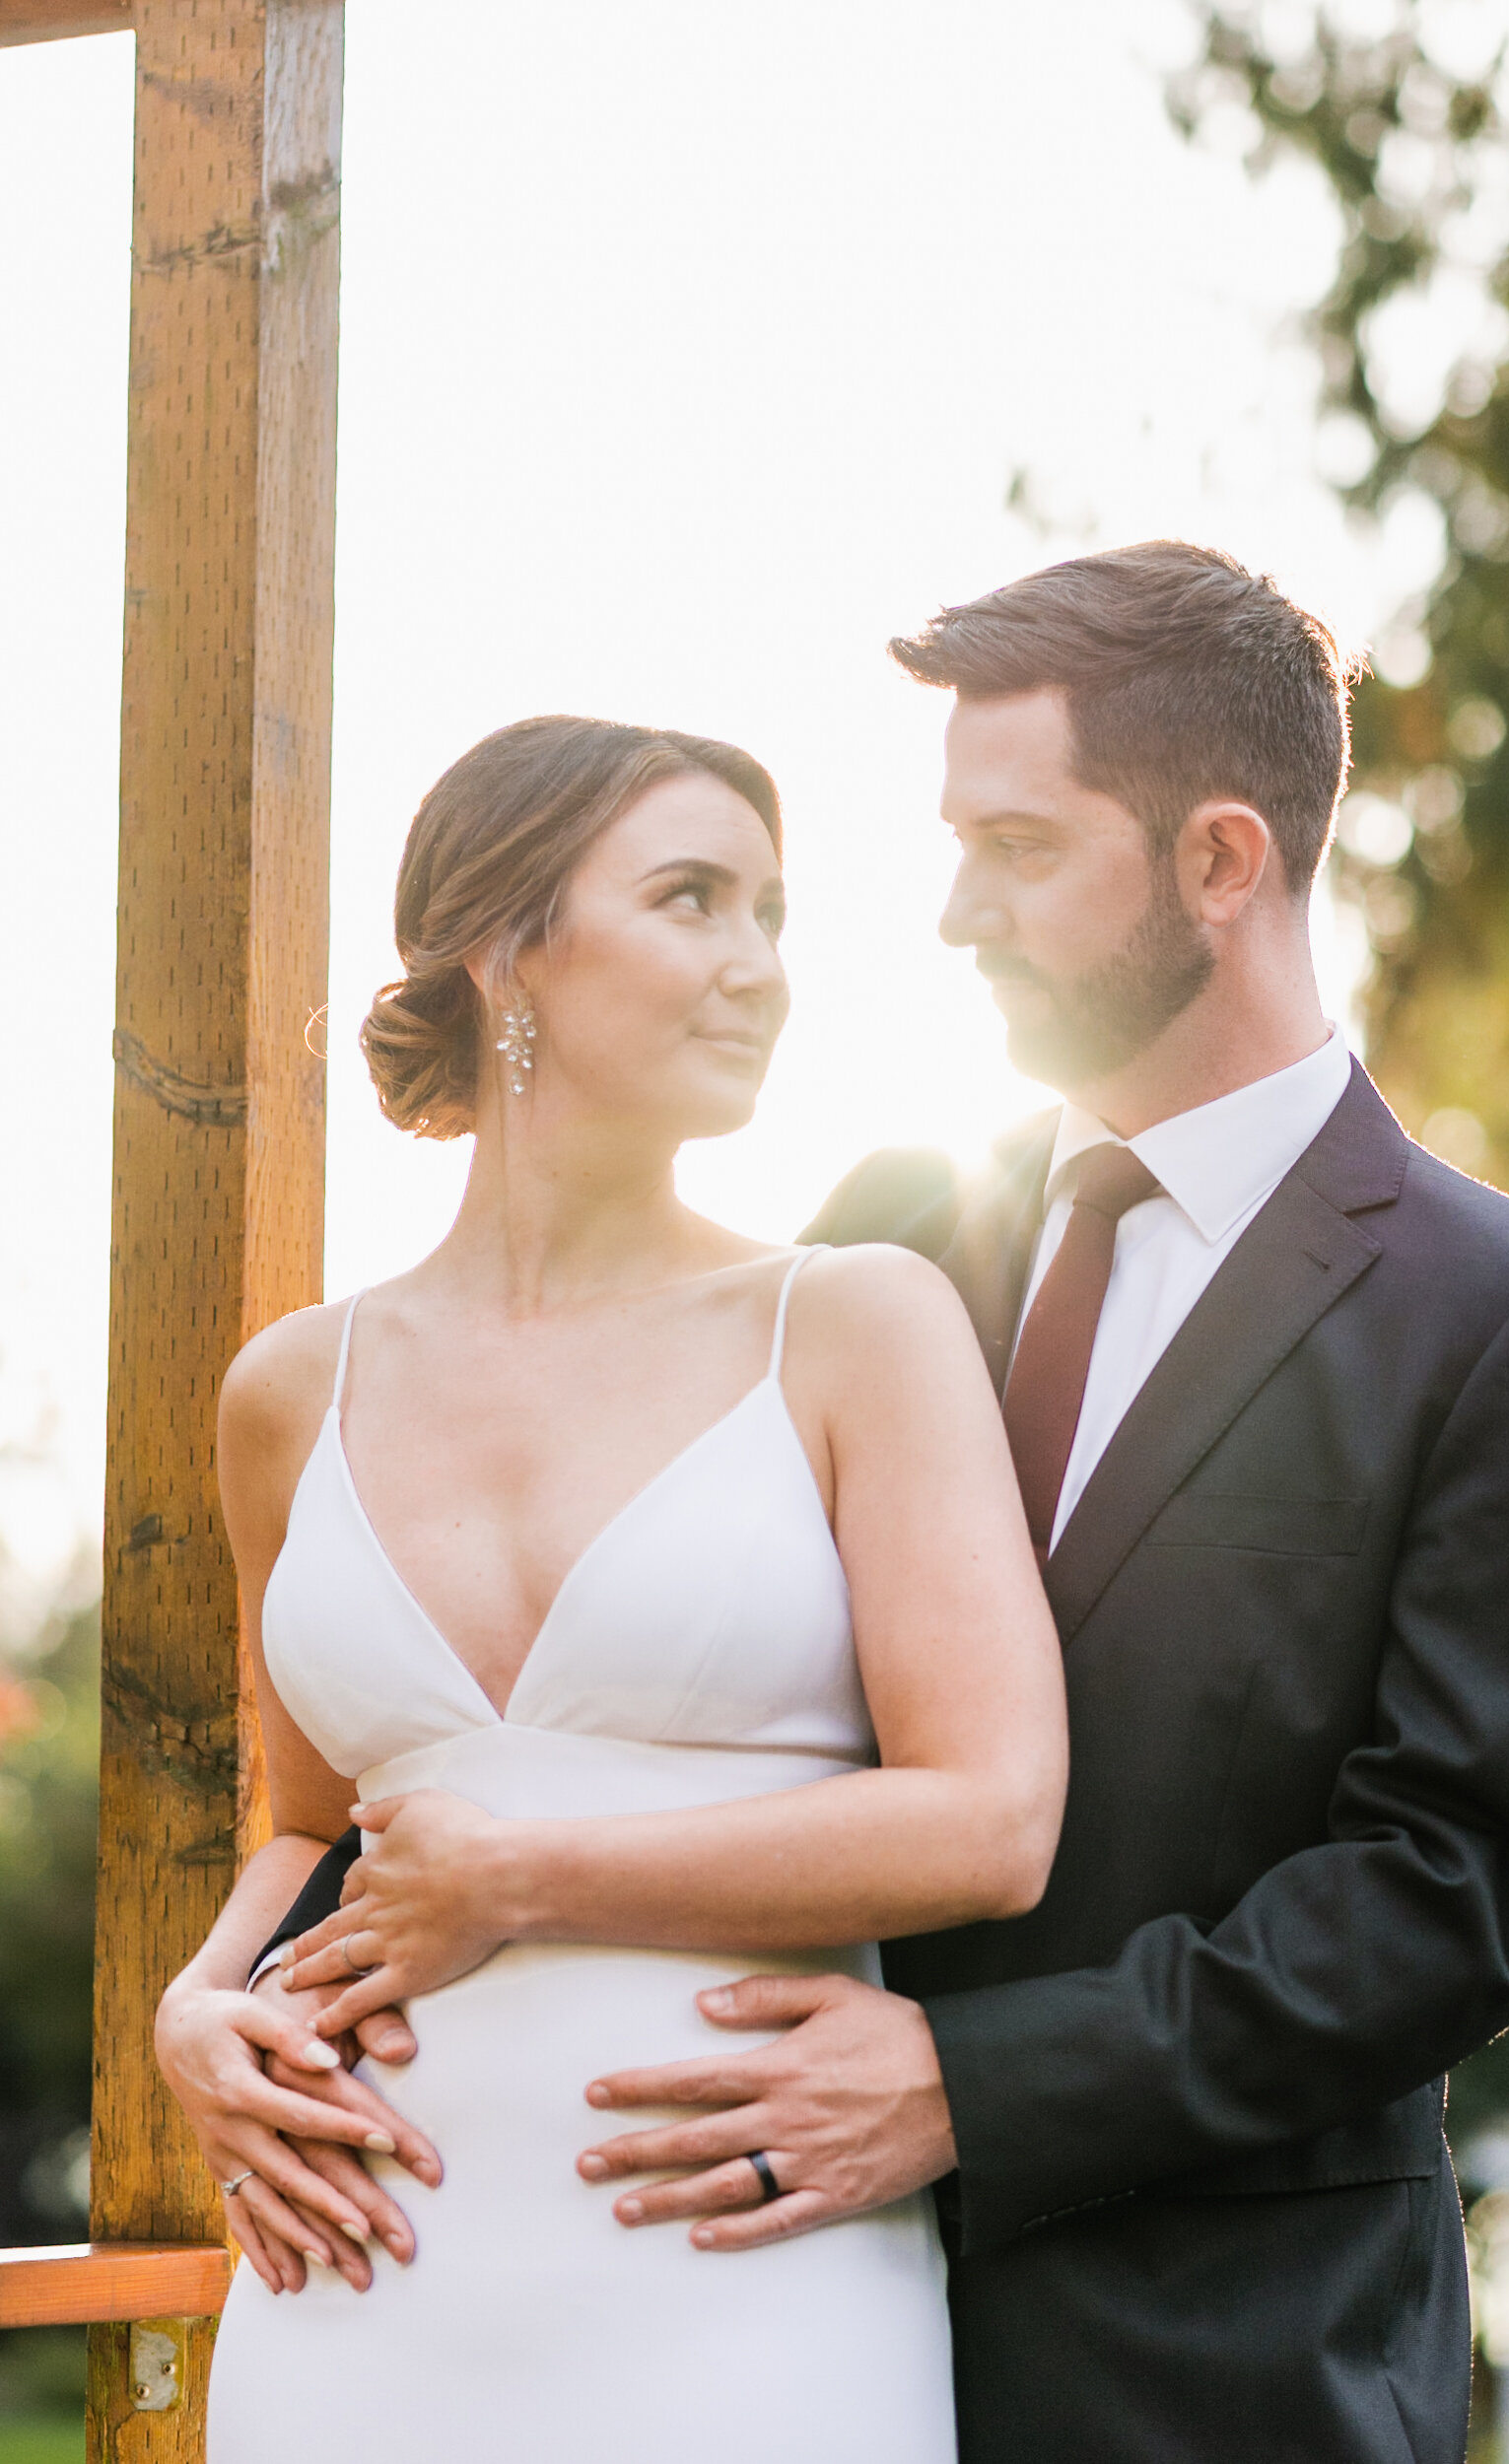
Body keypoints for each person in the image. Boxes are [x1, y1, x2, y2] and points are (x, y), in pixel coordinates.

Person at [170, 544, 1509, 2464]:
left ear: (1218, 859)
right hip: (684, 2251)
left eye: (1014, 847)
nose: (947, 911)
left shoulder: (1508, 1317)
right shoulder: (894, 1225)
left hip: (1202, 2351)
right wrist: (212, 2003)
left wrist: (970, 2080)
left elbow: (1446, 1902)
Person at [158, 714, 1068, 2464]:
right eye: (694, 900)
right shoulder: (292, 1390)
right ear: (511, 949)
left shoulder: (852, 1321)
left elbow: (993, 1816)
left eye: (773, 915)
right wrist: (198, 2007)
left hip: (742, 2273)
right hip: (351, 2290)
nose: (760, 968)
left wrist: (537, 1871)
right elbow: (310, 1827)